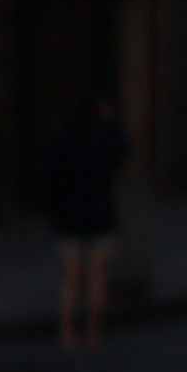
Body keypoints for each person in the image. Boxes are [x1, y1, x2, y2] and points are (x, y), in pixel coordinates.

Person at [42, 93, 132, 352]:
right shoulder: (101, 140)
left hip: (69, 219)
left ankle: (67, 332)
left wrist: (52, 214)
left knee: (70, 280)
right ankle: (93, 331)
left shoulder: (61, 142)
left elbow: (49, 183)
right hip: (98, 216)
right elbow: (123, 152)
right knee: (96, 277)